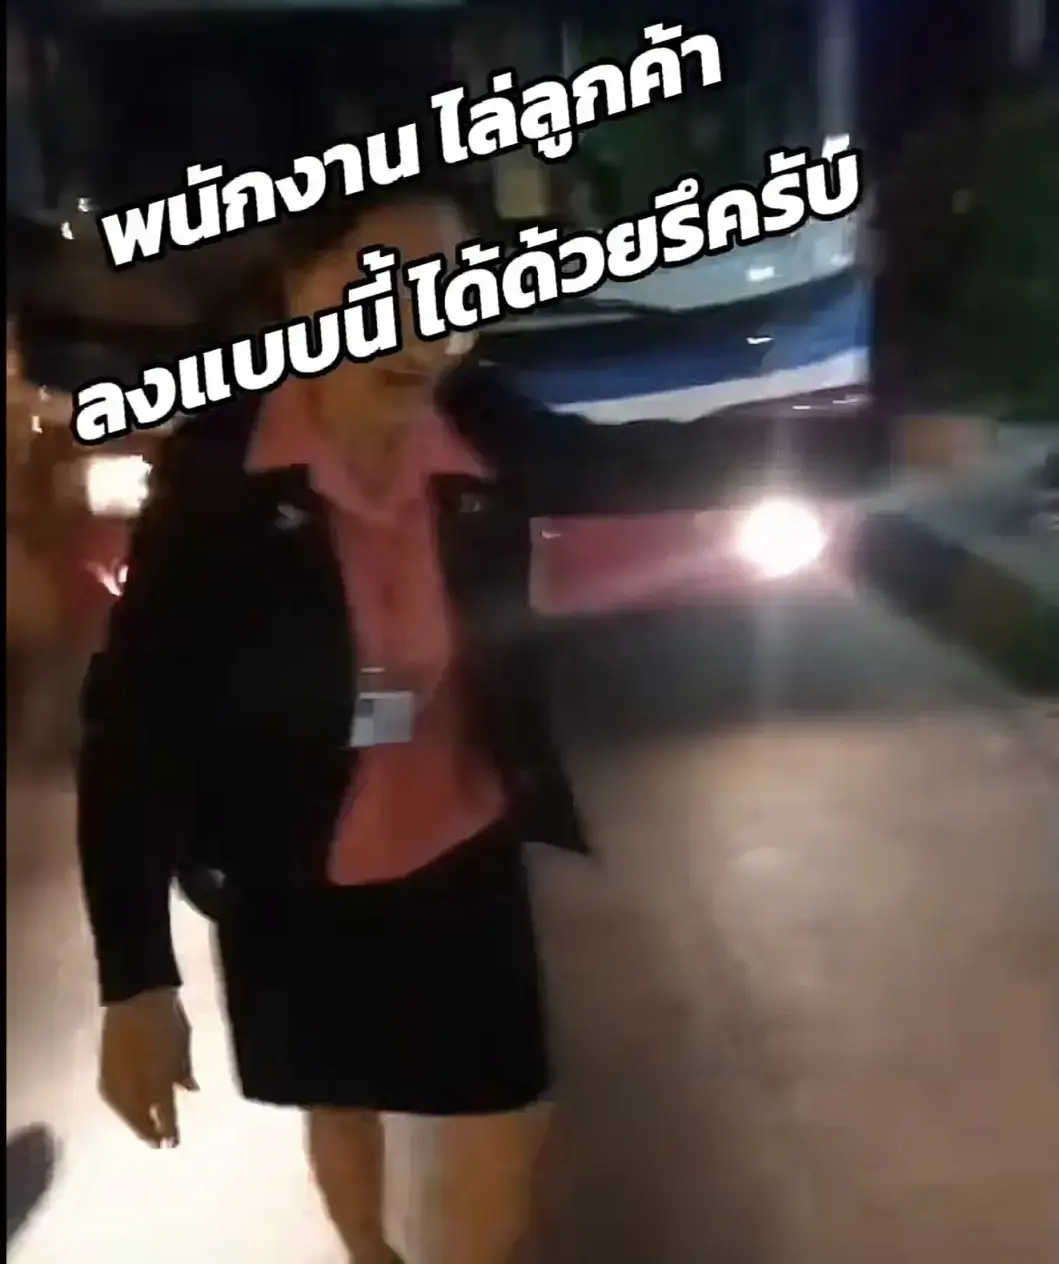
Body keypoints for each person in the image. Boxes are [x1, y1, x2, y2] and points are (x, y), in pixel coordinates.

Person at [77, 176, 874, 1263]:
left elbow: (645, 462)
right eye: (380, 283)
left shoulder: (478, 421)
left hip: (461, 840)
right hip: (288, 863)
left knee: (507, 1113)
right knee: (339, 1095)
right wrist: (135, 975)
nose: (421, 328)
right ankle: (368, 1253)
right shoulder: (222, 470)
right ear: (296, 286)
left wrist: (883, 447)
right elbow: (138, 721)